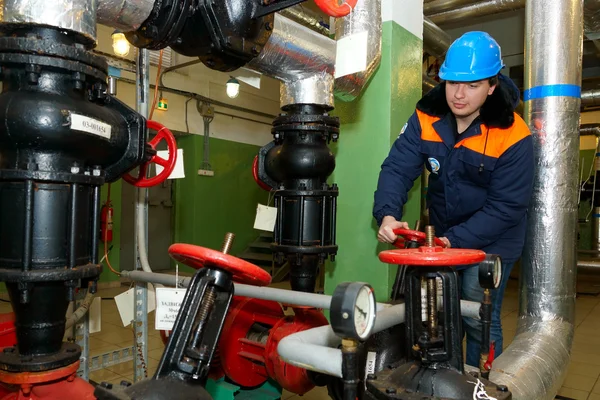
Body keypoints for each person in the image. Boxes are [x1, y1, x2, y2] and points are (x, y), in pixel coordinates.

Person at [373, 31, 534, 367]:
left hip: (493, 240)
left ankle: (480, 384)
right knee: (442, 315)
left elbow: (507, 207)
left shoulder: (513, 134)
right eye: (452, 82)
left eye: (472, 85)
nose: (459, 94)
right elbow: (397, 169)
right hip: (446, 233)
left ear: (492, 86)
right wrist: (388, 215)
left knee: (477, 317)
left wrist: (451, 241)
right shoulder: (425, 118)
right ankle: (446, 382)